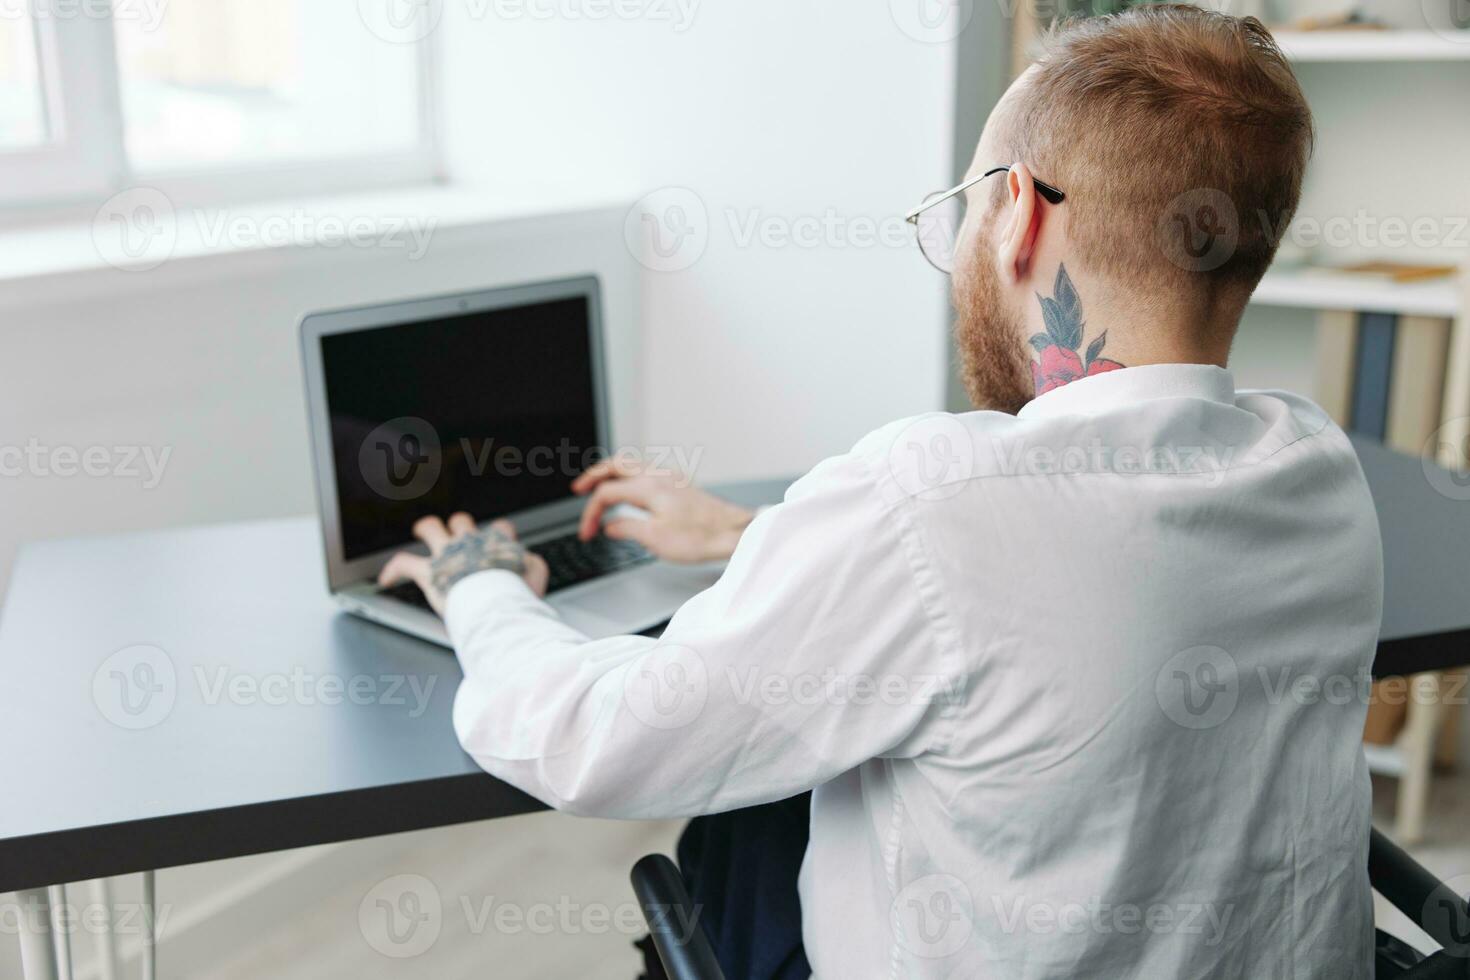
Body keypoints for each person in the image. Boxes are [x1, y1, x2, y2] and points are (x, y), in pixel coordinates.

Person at [378, 5, 1384, 976]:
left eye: (967, 209)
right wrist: (753, 534)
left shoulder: (931, 498)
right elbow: (1062, 588)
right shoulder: (1318, 467)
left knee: (745, 808)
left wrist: (481, 585)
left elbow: (593, 739)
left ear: (1021, 215)